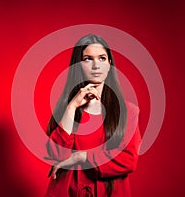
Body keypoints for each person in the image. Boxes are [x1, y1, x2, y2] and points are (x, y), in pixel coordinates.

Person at [44, 34, 141, 197]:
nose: (96, 65)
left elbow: (128, 159)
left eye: (102, 58)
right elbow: (57, 155)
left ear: (109, 64)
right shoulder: (68, 108)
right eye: (88, 59)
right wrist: (72, 107)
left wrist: (82, 156)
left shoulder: (128, 111)